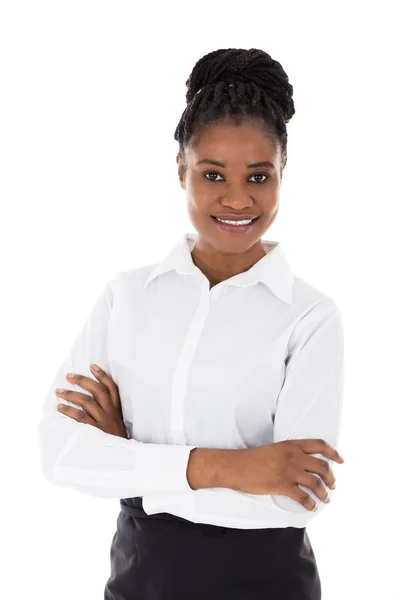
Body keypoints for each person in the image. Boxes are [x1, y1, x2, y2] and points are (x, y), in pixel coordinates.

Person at [37, 47, 345, 600]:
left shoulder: (310, 317)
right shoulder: (125, 298)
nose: (236, 197)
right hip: (138, 581)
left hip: (268, 585)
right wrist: (238, 467)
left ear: (282, 174)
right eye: (212, 173)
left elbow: (293, 495)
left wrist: (131, 459)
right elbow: (61, 455)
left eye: (258, 175)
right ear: (181, 169)